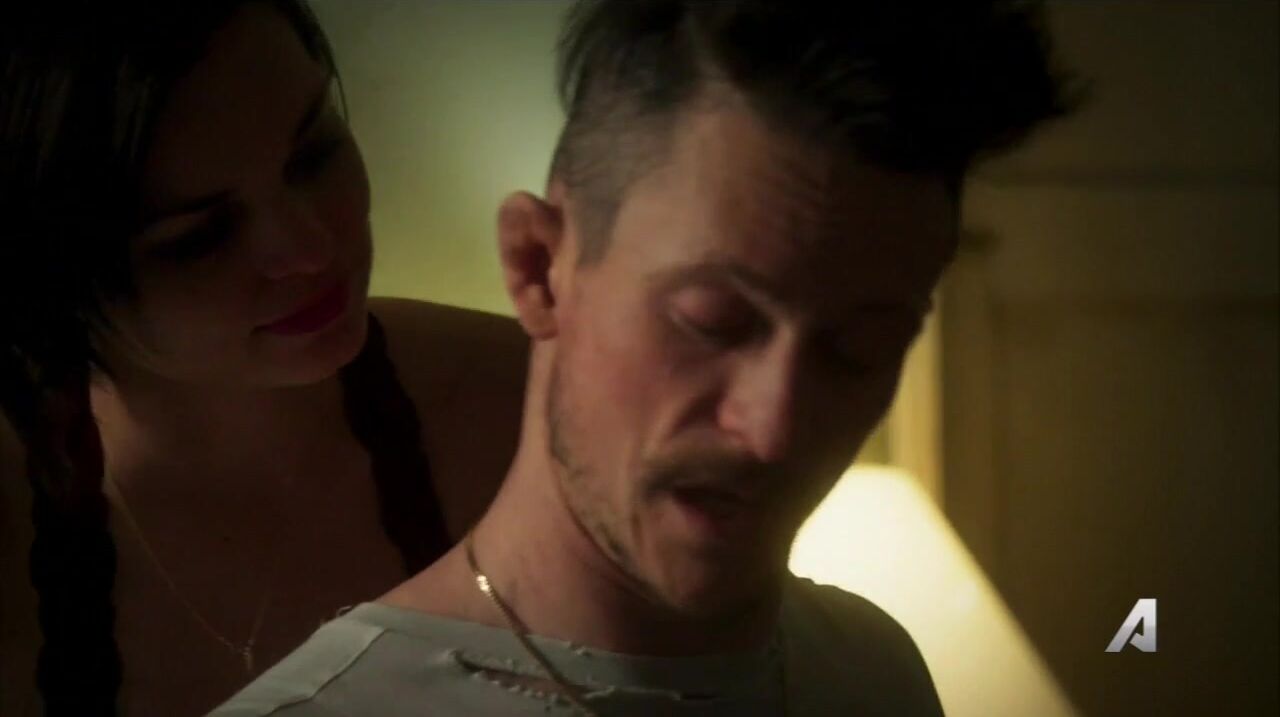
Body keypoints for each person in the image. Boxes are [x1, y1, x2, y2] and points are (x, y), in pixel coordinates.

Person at [211, 0, 1077, 714]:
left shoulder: (876, 671)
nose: (774, 428)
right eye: (712, 321)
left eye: (859, 348)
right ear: (538, 268)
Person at [0, 2, 529, 715]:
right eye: (198, 237)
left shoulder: (519, 402)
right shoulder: (15, 535)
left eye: (312, 155)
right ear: (48, 279)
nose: (310, 248)